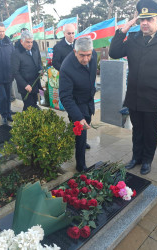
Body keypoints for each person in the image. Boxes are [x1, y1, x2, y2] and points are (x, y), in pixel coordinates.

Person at [109, 0, 157, 175]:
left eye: (149, 19)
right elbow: (114, 52)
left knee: (149, 131)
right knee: (137, 130)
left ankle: (147, 160)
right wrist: (123, 30)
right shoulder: (133, 38)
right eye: (142, 20)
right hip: (134, 96)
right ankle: (136, 157)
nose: (144, 23)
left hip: (154, 98)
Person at [59, 37, 97, 172]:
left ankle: (80, 139)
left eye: (88, 55)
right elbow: (65, 97)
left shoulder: (94, 55)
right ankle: (81, 165)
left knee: (84, 130)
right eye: (82, 55)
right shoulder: (66, 68)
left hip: (88, 100)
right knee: (80, 131)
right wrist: (78, 117)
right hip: (76, 103)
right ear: (75, 51)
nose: (86, 59)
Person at [11, 31, 43, 110]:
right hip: (25, 86)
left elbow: (39, 61)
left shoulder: (34, 50)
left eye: (31, 42)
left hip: (35, 83)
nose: (30, 44)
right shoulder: (16, 53)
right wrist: (25, 85)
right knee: (28, 106)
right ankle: (24, 121)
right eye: (27, 42)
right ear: (22, 41)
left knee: (34, 104)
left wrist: (41, 69)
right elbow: (15, 72)